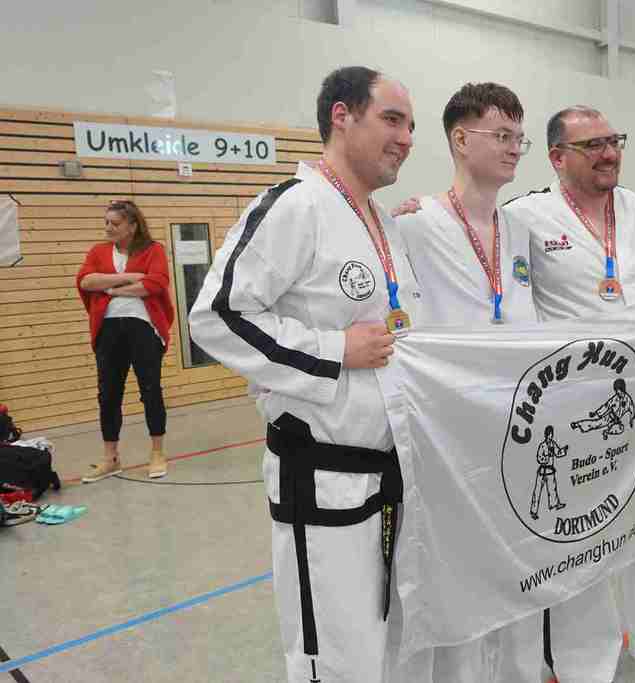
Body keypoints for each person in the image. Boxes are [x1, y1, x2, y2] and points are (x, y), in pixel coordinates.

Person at [188, 66, 420, 683]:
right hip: (321, 476)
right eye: (392, 119)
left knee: (382, 644)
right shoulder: (295, 205)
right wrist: (333, 349)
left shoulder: (383, 222)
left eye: (411, 126)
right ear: (342, 116)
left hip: (388, 472)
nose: (406, 138)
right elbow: (216, 316)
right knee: (334, 654)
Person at [504, 105, 635, 683]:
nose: (608, 153)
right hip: (573, 412)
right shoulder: (525, 217)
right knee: (580, 535)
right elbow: (477, 260)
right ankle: (578, 658)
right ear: (556, 157)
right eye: (591, 145)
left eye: (613, 141)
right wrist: (417, 217)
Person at [391, 81, 542, 683]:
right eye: (501, 135)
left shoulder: (519, 229)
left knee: (519, 569)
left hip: (518, 430)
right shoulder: (413, 224)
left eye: (519, 138)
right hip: (449, 438)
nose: (513, 148)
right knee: (457, 580)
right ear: (460, 138)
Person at [76, 200, 174, 481]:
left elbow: (155, 283)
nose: (108, 228)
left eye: (115, 223)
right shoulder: (98, 251)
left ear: (132, 226)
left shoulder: (153, 250)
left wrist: (109, 289)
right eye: (106, 222)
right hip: (108, 329)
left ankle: (157, 453)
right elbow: (85, 281)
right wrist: (128, 277)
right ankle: (111, 458)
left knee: (150, 390)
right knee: (108, 394)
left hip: (143, 328)